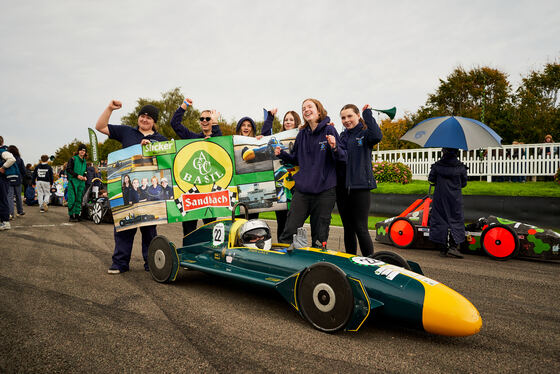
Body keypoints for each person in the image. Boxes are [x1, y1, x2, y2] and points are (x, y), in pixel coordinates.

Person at [95, 100, 167, 274]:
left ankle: (151, 263)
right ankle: (120, 263)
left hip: (149, 190)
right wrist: (110, 108)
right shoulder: (127, 131)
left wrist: (154, 149)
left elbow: (168, 162)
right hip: (126, 188)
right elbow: (100, 126)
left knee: (150, 229)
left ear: (154, 122)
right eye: (142, 115)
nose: (144, 119)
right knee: (124, 226)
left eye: (149, 117)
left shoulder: (161, 140)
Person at [274, 98, 346, 247]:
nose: (306, 110)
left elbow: (343, 158)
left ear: (318, 111)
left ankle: (318, 266)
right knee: (289, 231)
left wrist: (334, 147)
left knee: (319, 237)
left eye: (309, 107)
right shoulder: (302, 134)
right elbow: (296, 159)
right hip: (303, 192)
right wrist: (282, 154)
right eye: (303, 108)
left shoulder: (329, 130)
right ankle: (284, 264)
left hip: (325, 191)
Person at [170, 98, 222, 244]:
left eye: (208, 118)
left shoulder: (218, 137)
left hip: (211, 191)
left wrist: (216, 124)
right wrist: (184, 106)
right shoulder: (192, 138)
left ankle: (208, 254)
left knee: (209, 226)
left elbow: (220, 144)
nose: (205, 121)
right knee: (189, 226)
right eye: (202, 118)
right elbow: (175, 124)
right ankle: (188, 255)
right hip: (192, 189)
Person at [336, 104, 383, 257]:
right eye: (343, 118)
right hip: (343, 188)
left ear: (357, 116)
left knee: (360, 227)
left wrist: (367, 114)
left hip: (361, 187)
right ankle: (351, 261)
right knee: (348, 228)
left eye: (350, 116)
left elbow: (377, 136)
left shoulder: (365, 134)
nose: (346, 120)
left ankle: (370, 262)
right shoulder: (342, 136)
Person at [261, 109, 301, 241]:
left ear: (297, 122)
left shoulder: (301, 135)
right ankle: (282, 249)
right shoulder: (278, 137)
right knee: (281, 221)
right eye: (286, 120)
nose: (288, 122)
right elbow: (266, 135)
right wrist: (270, 117)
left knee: (295, 222)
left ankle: (296, 250)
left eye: (291, 120)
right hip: (280, 183)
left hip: (297, 184)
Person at [428, 148, 468, 258]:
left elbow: (431, 179)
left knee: (440, 219)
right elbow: (464, 183)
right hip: (455, 197)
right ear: (456, 153)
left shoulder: (437, 166)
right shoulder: (460, 167)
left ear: (443, 152)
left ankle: (442, 247)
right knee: (456, 219)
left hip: (440, 196)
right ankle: (454, 247)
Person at [66, 144, 88, 222]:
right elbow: (68, 169)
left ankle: (77, 214)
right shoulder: (73, 159)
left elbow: (85, 170)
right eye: (81, 150)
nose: (82, 152)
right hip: (73, 181)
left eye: (84, 150)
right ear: (78, 151)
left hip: (81, 182)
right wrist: (77, 175)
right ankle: (71, 215)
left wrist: (85, 176)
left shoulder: (85, 161)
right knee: (72, 198)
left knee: (79, 198)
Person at [0, 136, 16, 230]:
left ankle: (5, 221)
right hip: (3, 178)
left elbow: (12, 159)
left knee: (2, 199)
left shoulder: (2, 151)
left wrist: (3, 167)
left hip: (2, 178)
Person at [6, 145, 26, 218]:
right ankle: (20, 211)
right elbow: (24, 171)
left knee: (10, 197)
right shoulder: (20, 159)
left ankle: (10, 213)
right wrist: (21, 178)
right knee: (18, 197)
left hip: (8, 179)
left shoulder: (6, 159)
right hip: (18, 179)